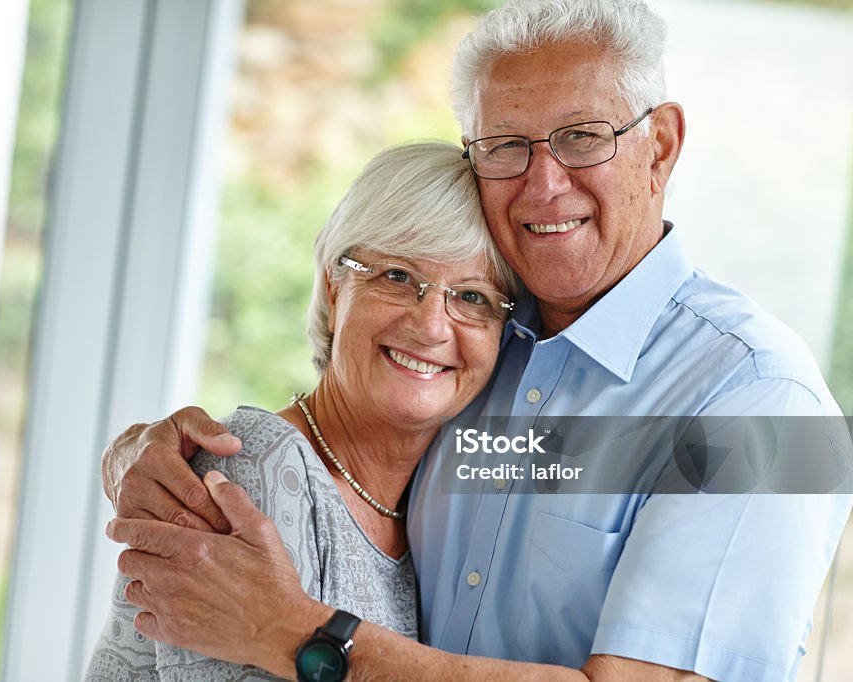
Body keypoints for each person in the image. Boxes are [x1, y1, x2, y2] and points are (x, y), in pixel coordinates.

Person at [103, 1, 853, 680]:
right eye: (504, 145)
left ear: (659, 145)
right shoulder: (486, 338)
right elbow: (326, 450)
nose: (542, 183)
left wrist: (297, 631)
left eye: (582, 138)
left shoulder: (765, 402)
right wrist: (148, 453)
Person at [85, 141, 518, 680]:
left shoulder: (432, 501)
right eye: (397, 277)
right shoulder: (259, 468)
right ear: (336, 290)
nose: (431, 325)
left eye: (473, 297)